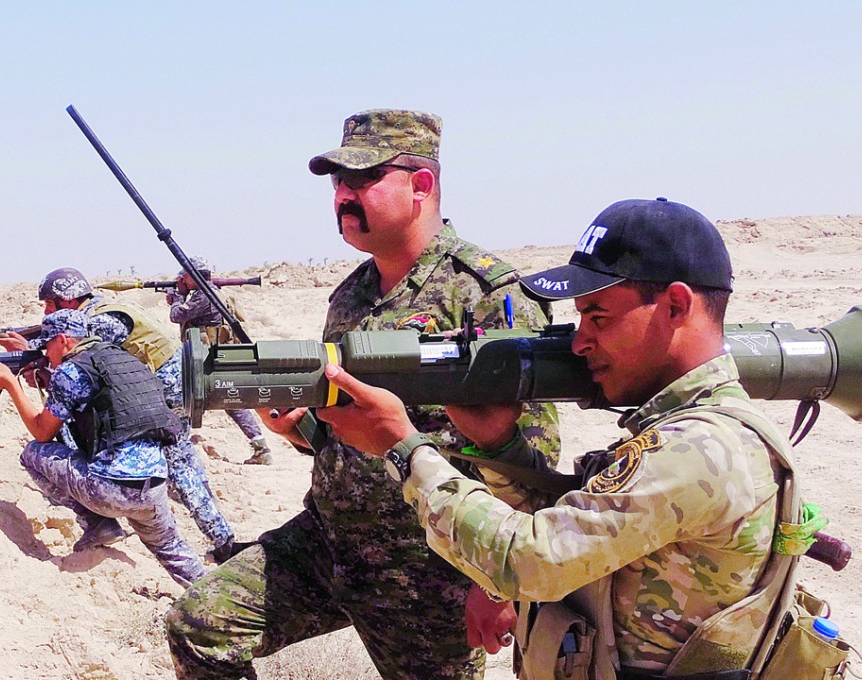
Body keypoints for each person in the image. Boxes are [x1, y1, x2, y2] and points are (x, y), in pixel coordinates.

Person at [318, 198, 802, 679]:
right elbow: (568, 528)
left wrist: (403, 448)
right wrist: (500, 447)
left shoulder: (699, 449)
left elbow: (530, 563)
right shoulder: (676, 433)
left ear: (675, 305)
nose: (579, 342)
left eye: (599, 317)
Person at [165, 109, 559, 679]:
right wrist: (300, 429)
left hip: (431, 570)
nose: (343, 195)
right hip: (330, 546)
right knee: (200, 625)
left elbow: (532, 462)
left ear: (420, 185)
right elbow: (340, 432)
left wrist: (499, 582)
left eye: (362, 179)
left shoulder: (488, 296)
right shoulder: (351, 298)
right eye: (337, 182)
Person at [0, 268, 237, 563]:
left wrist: (31, 351)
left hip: (164, 393)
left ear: (69, 300)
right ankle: (220, 537)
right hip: (165, 389)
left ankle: (223, 542)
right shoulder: (103, 306)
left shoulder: (103, 319)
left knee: (181, 468)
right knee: (183, 466)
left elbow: (79, 347)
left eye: (50, 305)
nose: (46, 311)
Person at [0, 309, 207, 586]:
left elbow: (42, 432)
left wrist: (11, 384)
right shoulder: (123, 361)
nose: (45, 353)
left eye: (47, 345)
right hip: (153, 487)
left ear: (62, 340)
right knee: (173, 551)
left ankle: (98, 524)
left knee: (33, 453)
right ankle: (212, 598)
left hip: (111, 490)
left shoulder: (71, 371)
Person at [167, 256, 273, 466]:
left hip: (205, 361)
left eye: (184, 277)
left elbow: (177, 316)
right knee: (232, 402)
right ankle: (260, 447)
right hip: (217, 356)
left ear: (190, 275)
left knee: (183, 397)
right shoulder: (214, 292)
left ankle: (178, 449)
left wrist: (177, 298)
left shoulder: (203, 295)